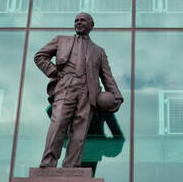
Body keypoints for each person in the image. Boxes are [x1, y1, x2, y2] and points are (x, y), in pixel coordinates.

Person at [33, 12, 123, 169]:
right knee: (58, 123)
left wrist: (117, 96)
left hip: (88, 92)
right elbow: (40, 56)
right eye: (76, 21)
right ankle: (47, 164)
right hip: (66, 86)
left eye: (82, 20)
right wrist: (54, 72)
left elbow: (107, 76)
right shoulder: (61, 40)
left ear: (91, 25)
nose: (78, 23)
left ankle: (72, 167)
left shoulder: (99, 51)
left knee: (79, 133)